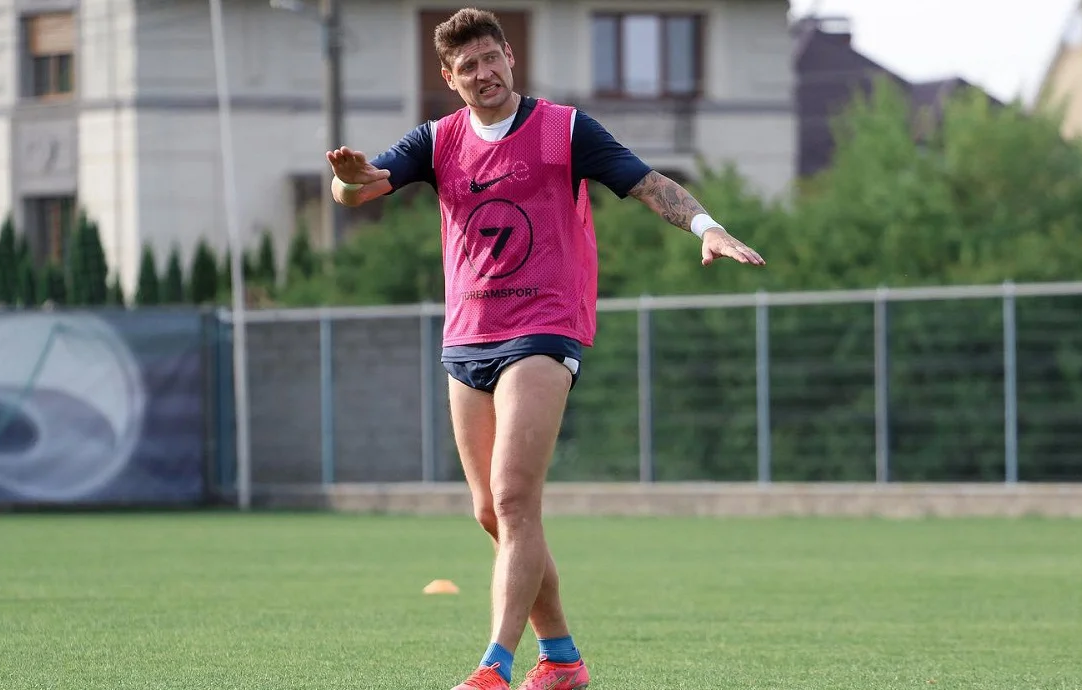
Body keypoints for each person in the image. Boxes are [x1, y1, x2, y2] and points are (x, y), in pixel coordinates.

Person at [325, 8, 765, 689]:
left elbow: (648, 183)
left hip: (543, 327)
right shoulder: (437, 139)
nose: (483, 72)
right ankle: (561, 658)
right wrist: (347, 177)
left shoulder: (564, 129)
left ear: (510, 56)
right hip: (466, 337)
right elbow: (360, 188)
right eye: (467, 66)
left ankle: (493, 667)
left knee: (513, 498)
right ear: (449, 77)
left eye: (490, 57)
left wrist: (707, 227)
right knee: (492, 513)